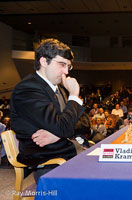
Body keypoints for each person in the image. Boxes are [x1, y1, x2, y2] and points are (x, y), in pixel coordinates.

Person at [10, 39, 85, 183]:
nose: (66, 72)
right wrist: (74, 96)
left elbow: (85, 122)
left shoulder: (61, 90)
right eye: (62, 64)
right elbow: (64, 126)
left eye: (69, 66)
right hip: (48, 159)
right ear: (44, 61)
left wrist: (58, 133)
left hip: (68, 150)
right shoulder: (27, 89)